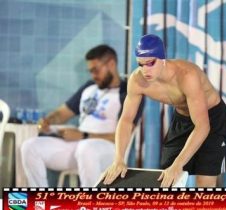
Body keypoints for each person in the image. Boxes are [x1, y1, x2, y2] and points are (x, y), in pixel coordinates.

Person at [101, 34, 226, 187]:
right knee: (167, 179)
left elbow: (202, 126)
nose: (145, 70)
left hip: (211, 117)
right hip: (182, 118)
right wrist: (119, 159)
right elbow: (126, 120)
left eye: (150, 63)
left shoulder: (187, 76)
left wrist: (178, 164)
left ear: (163, 59)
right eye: (141, 64)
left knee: (204, 181)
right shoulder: (137, 81)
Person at [21, 45, 142, 187]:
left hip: (109, 149)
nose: (93, 75)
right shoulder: (89, 87)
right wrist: (48, 120)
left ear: (111, 64)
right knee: (30, 146)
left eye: (95, 70)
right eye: (90, 71)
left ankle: (90, 203)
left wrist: (84, 136)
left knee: (87, 148)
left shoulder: (128, 92)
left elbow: (125, 134)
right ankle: (40, 201)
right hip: (79, 146)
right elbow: (62, 113)